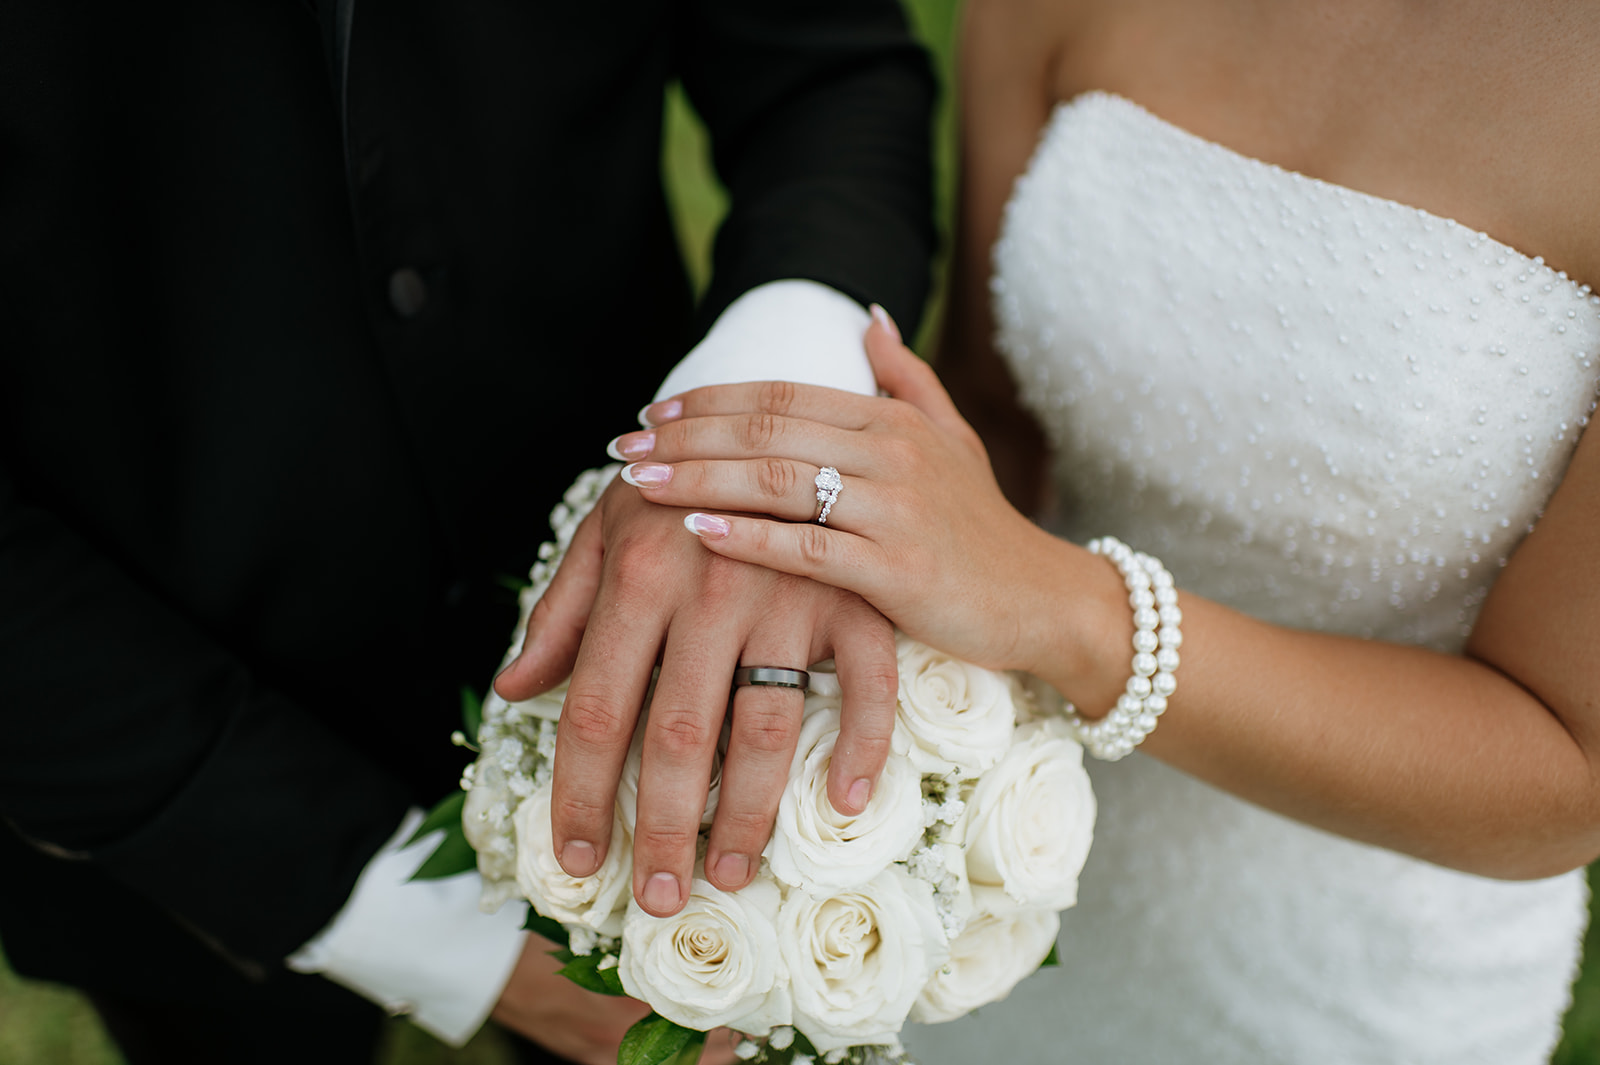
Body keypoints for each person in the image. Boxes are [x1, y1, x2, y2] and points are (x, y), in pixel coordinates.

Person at [593, 0, 1600, 1060]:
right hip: (949, 881)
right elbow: (988, 414)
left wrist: (1063, 609)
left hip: (1342, 963)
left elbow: (1566, 769)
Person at [0, 2, 934, 1062]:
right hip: (138, 747)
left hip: (658, 659)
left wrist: (761, 435)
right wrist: (426, 932)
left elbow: (823, 72)